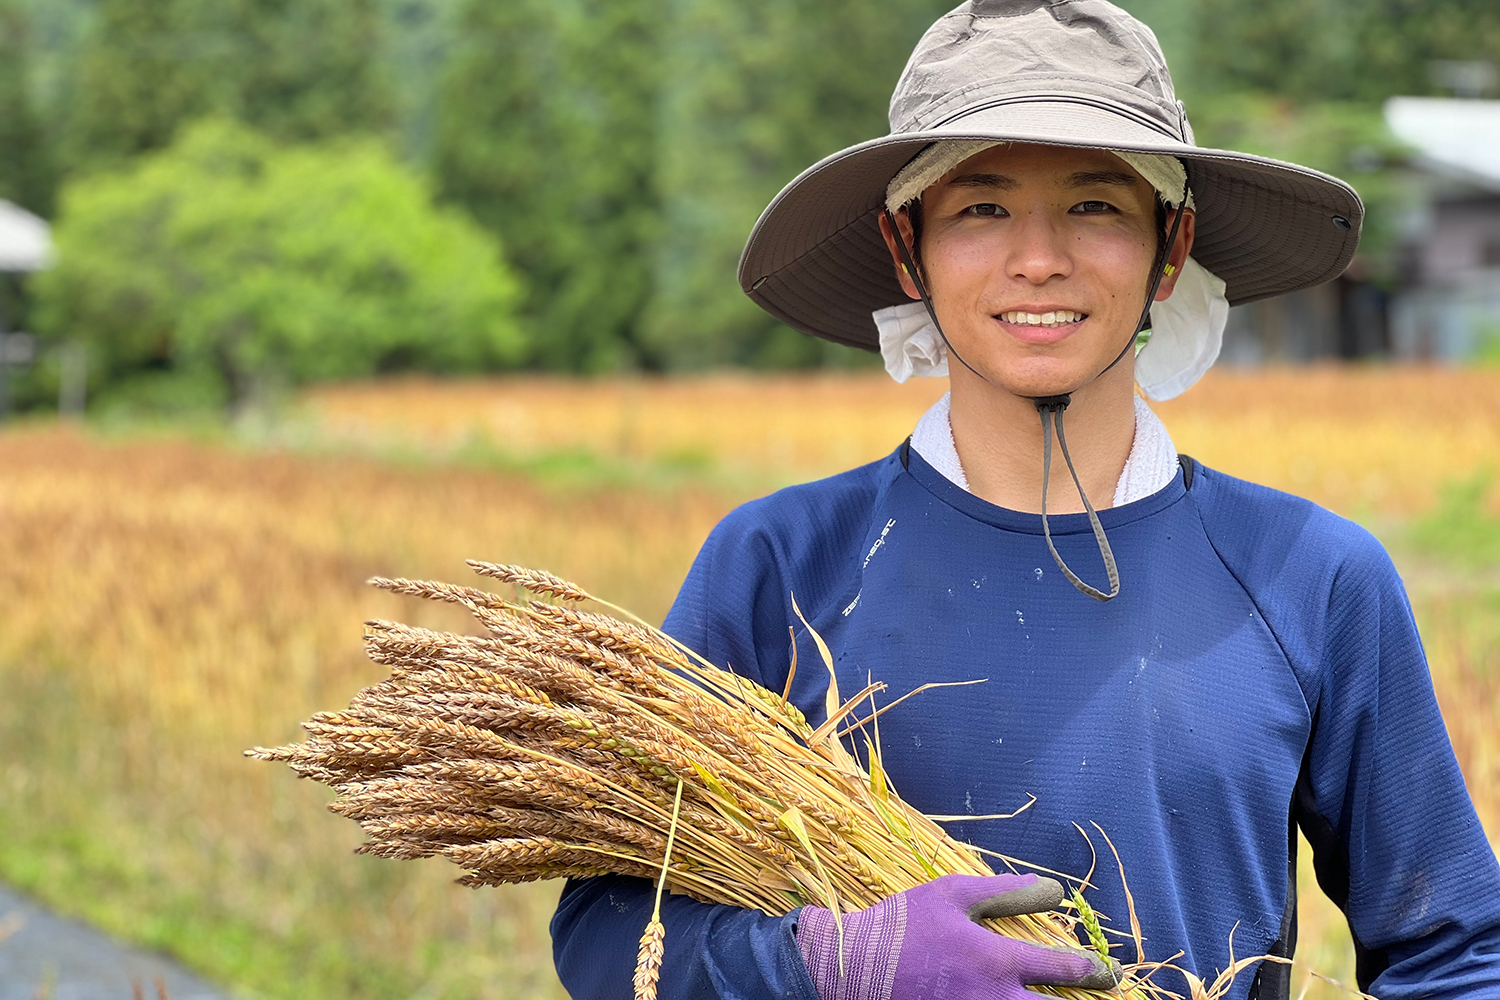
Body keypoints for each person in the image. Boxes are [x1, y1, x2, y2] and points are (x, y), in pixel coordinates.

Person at [550, 3, 1500, 999]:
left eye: (1096, 206)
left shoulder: (1310, 574)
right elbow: (610, 937)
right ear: (904, 246)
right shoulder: (780, 566)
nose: (1039, 257)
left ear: (1170, 247)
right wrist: (837, 961)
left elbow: (1455, 951)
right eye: (980, 208)